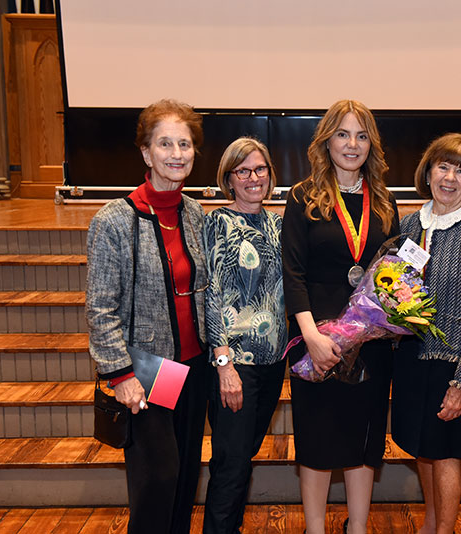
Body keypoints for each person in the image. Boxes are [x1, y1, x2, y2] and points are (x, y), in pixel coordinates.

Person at [85, 99, 208, 534]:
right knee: (158, 479)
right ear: (145, 152)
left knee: (185, 478)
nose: (177, 154)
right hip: (145, 371)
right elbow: (100, 307)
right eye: (165, 144)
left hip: (193, 368)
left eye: (185, 144)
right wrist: (120, 375)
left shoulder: (194, 213)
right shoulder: (113, 220)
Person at [282, 99, 399, 534]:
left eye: (362, 135)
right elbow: (292, 272)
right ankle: (314, 528)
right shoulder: (302, 197)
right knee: (316, 435)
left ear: (372, 144)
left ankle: (358, 528)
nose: (352, 144)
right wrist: (311, 335)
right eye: (343, 134)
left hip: (371, 343)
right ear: (326, 141)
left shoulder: (384, 202)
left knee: (364, 440)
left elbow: (395, 275)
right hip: (317, 344)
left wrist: (382, 322)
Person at [392, 133, 461, 534]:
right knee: (422, 448)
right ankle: (430, 522)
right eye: (443, 166)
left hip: (454, 366)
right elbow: (393, 290)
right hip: (411, 360)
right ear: (428, 170)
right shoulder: (408, 225)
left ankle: (445, 530)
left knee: (446, 455)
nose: (450, 178)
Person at [203, 137, 287, 534]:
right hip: (236, 365)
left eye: (261, 169)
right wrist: (223, 364)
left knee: (244, 457)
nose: (254, 178)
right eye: (244, 171)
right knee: (231, 465)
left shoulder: (279, 223)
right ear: (229, 179)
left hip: (273, 363)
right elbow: (212, 294)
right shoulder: (218, 221)